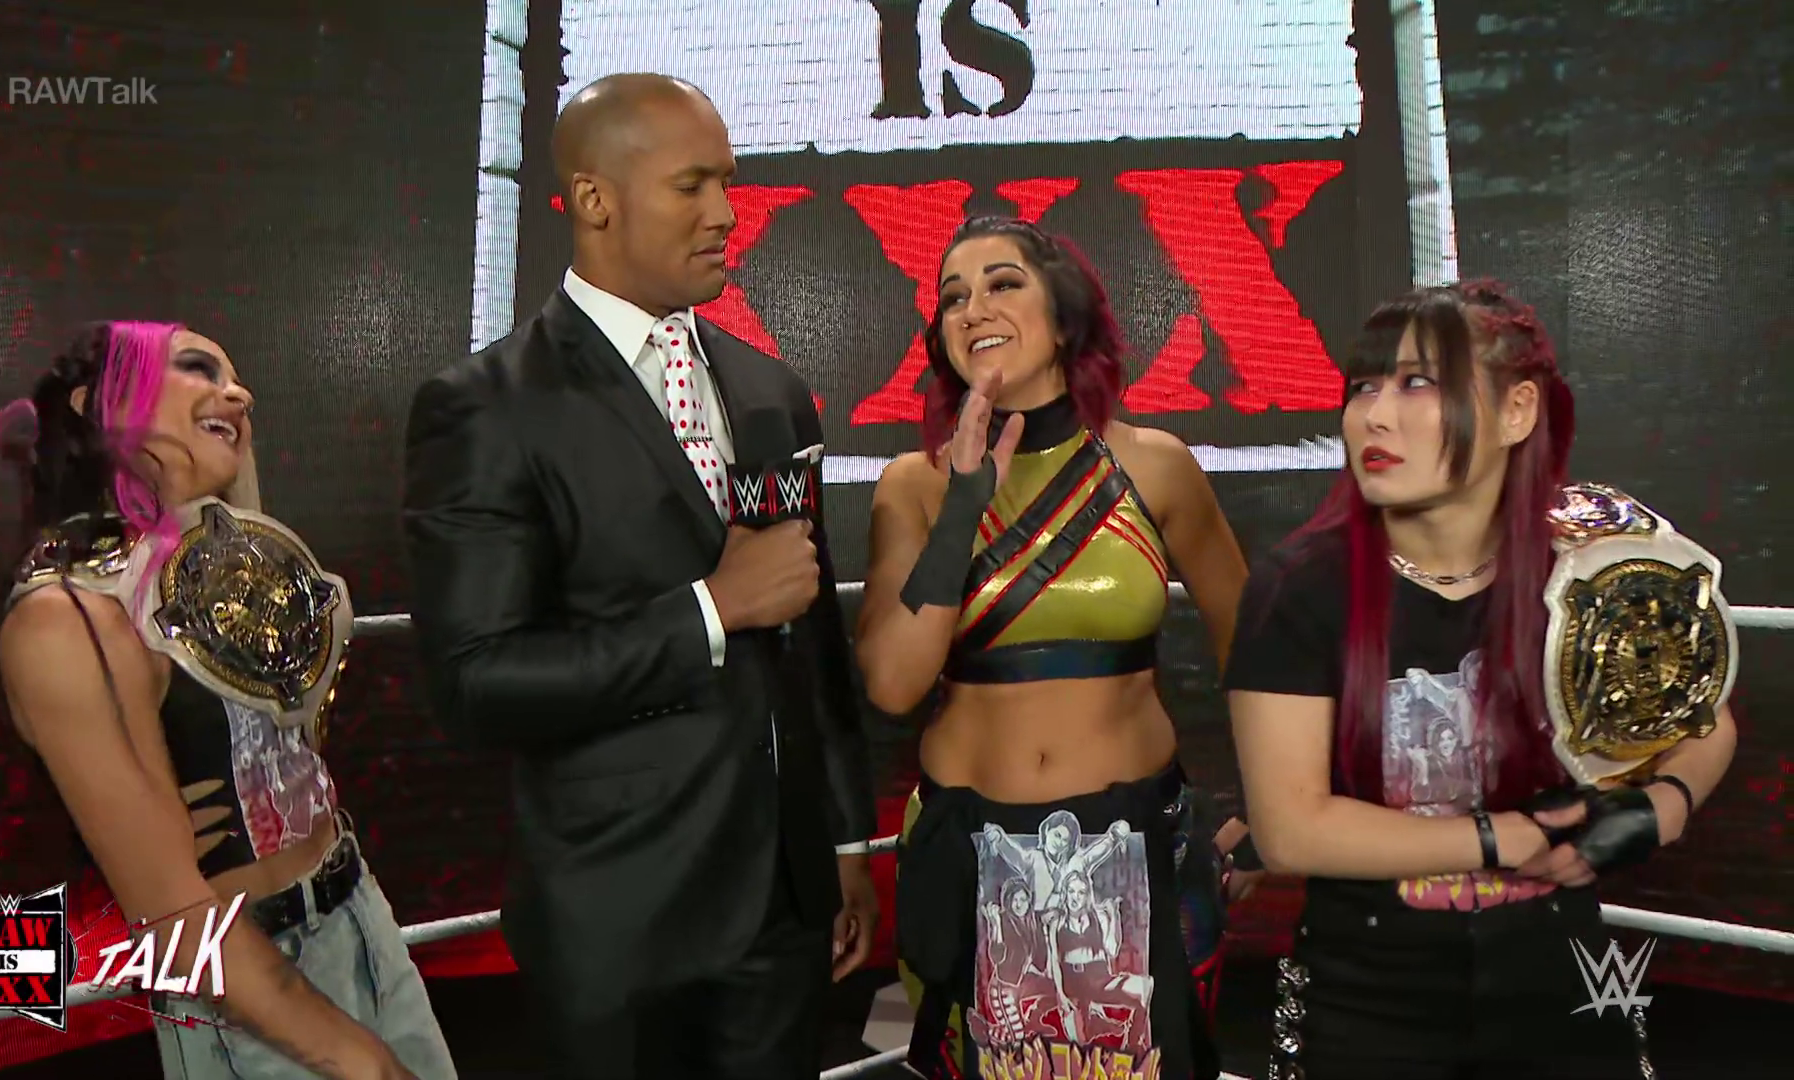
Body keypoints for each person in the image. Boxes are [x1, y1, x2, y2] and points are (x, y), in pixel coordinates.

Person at [401, 73, 877, 1080]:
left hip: (784, 912)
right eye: (692, 185)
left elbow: (811, 647)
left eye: (728, 183)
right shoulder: (487, 407)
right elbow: (477, 684)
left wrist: (843, 844)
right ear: (596, 198)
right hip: (618, 917)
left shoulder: (770, 391)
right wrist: (711, 610)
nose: (727, 213)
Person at [1224, 280, 1739, 1079]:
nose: (1374, 416)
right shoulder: (1300, 586)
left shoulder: (1592, 570)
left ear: (1517, 410)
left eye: (1417, 383)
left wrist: (1658, 808)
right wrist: (1509, 838)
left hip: (1561, 975)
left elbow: (1703, 719)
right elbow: (1291, 829)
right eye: (1363, 387)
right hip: (1368, 990)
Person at [0, 321, 455, 1080]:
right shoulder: (66, 619)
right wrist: (363, 1061)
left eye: (233, 379)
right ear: (98, 402)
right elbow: (177, 925)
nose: (238, 394)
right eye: (197, 368)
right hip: (245, 986)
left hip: (358, 915)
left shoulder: (229, 567)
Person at [854, 217, 1256, 1080]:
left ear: (1066, 316)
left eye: (1002, 283)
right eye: (952, 297)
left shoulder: (1157, 467)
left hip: (1135, 850)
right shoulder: (912, 488)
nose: (973, 308)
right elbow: (891, 684)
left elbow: (1258, 654)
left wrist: (1269, 813)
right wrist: (963, 508)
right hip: (971, 852)